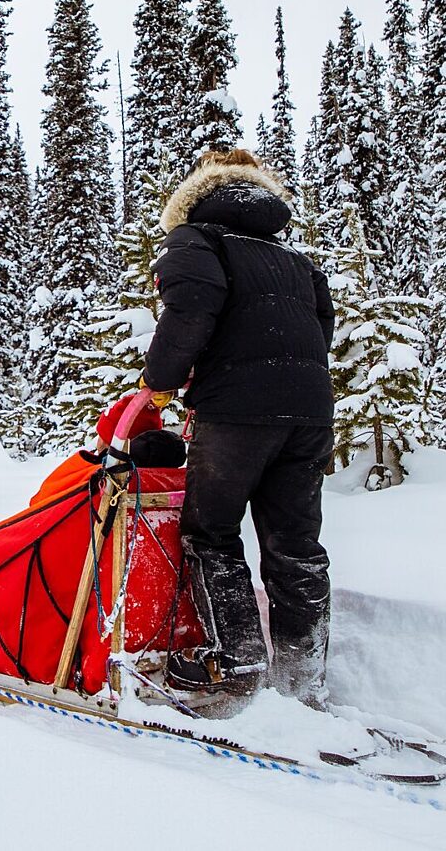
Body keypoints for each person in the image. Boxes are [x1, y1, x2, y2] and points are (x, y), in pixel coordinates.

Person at [139, 148, 335, 709]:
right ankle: (302, 684)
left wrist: (161, 381)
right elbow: (322, 323)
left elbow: (189, 311)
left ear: (196, 194)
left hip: (236, 414)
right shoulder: (292, 255)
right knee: (295, 543)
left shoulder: (197, 240)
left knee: (212, 532)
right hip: (309, 412)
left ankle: (238, 665)